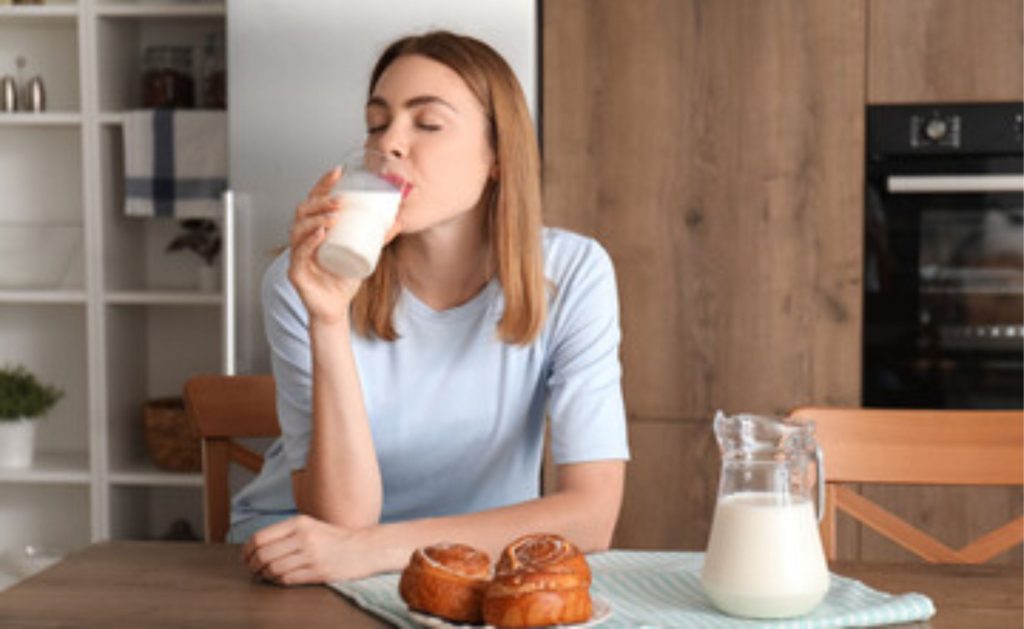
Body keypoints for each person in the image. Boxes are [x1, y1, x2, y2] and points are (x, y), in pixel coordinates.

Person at [233, 30, 629, 585]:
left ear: (498, 155)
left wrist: (375, 550)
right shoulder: (306, 281)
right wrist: (327, 320)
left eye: (428, 124)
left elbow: (591, 516)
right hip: (311, 563)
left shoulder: (573, 275)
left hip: (469, 567)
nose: (390, 143)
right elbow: (340, 523)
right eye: (378, 123)